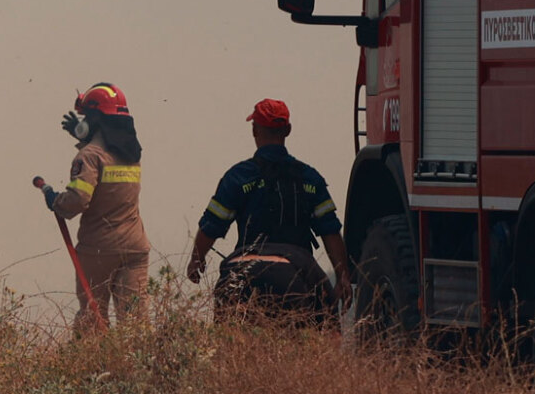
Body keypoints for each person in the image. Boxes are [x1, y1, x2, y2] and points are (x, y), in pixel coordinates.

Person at [186, 98, 352, 319]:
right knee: (328, 323)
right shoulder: (310, 177)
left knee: (229, 335)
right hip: (297, 270)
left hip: (243, 270)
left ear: (254, 130)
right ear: (288, 130)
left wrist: (196, 260)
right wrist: (343, 277)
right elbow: (330, 231)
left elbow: (211, 225)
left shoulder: (238, 176)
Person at [43, 83, 149, 330]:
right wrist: (84, 137)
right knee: (136, 323)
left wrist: (56, 201)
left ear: (94, 119)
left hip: (99, 248)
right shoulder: (132, 154)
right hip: (135, 247)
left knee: (93, 318)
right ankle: (139, 357)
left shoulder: (89, 156)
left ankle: (93, 356)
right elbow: (109, 151)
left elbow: (78, 200)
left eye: (86, 118)